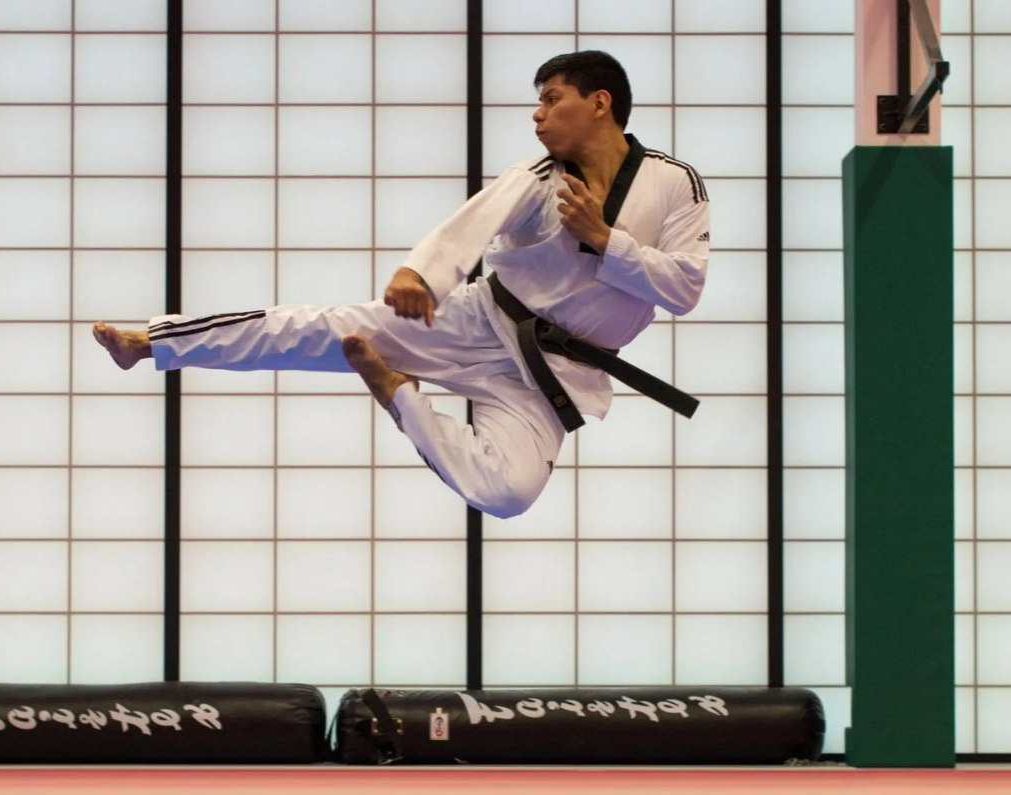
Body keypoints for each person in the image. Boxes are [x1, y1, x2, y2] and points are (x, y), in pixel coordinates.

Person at [93, 50, 709, 519]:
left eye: (551, 99)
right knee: (316, 330)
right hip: (478, 320)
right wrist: (420, 274)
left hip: (554, 371)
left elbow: (683, 288)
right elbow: (469, 228)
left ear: (600, 103)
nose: (537, 113)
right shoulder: (539, 176)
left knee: (508, 493)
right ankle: (151, 341)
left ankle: (398, 394)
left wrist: (606, 240)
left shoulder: (675, 183)